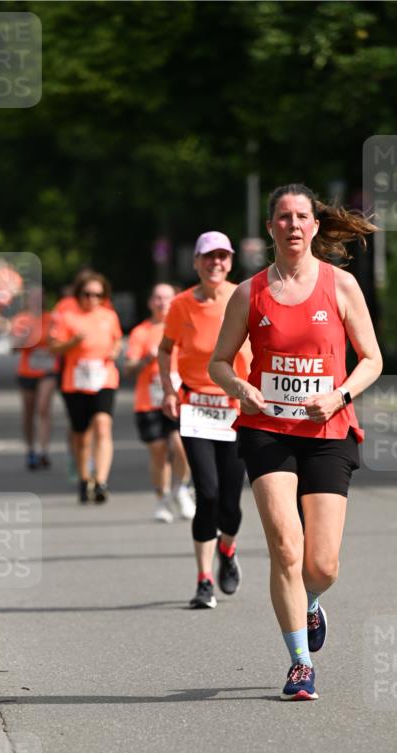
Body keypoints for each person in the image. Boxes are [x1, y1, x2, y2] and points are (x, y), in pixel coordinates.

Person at [209, 183, 383, 699]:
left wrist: (340, 394)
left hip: (329, 430)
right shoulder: (250, 292)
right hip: (267, 432)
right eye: (282, 217)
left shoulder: (342, 286)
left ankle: (310, 602)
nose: (292, 225)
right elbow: (218, 360)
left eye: (301, 216)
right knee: (286, 545)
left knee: (321, 564)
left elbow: (371, 359)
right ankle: (299, 664)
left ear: (314, 226)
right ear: (270, 228)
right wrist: (239, 387)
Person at [158, 231, 251, 609]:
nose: (216, 263)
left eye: (223, 257)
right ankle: (203, 580)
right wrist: (168, 389)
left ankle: (227, 550)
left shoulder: (243, 296)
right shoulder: (181, 305)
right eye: (208, 257)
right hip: (195, 408)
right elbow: (165, 349)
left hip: (236, 409)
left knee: (230, 501)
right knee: (207, 493)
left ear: (230, 262)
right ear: (196, 262)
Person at [124, 283, 195, 523]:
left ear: (175, 301)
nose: (162, 302)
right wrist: (147, 359)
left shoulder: (185, 327)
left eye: (167, 298)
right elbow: (128, 368)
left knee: (181, 447)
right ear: (150, 302)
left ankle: (181, 489)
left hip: (180, 399)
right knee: (158, 452)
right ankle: (162, 498)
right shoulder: (140, 332)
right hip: (149, 401)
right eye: (157, 298)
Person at [49, 271, 122, 503]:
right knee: (81, 435)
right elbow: (54, 348)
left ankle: (101, 481)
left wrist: (115, 351)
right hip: (75, 379)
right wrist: (73, 342)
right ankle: (84, 479)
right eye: (87, 294)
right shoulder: (66, 313)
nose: (92, 299)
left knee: (102, 424)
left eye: (98, 295)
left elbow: (117, 339)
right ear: (79, 293)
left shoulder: (108, 315)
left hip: (104, 377)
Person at [12, 286, 58, 469]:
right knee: (28, 413)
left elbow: (59, 342)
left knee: (43, 407)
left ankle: (43, 450)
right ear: (28, 300)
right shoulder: (22, 319)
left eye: (41, 297)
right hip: (27, 370)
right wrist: (26, 336)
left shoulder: (52, 319)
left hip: (48, 369)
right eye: (34, 298)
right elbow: (14, 347)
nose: (37, 301)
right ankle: (30, 448)